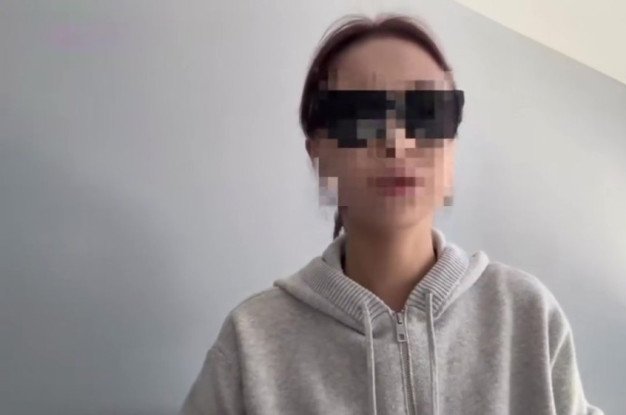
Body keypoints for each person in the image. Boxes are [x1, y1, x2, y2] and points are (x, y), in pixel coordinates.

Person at [180, 13, 604, 415]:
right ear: (317, 154)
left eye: (426, 113)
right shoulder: (251, 343)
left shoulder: (526, 316)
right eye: (359, 116)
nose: (397, 142)